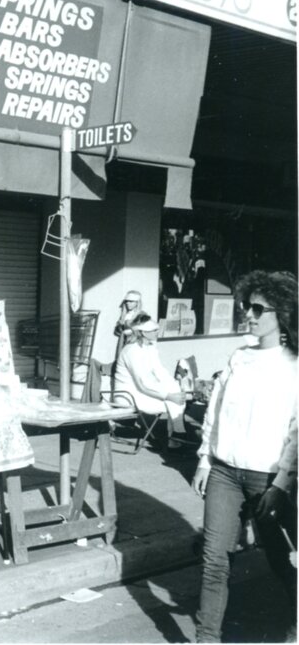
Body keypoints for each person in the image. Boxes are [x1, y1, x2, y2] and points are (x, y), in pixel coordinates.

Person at [191, 270, 298, 643]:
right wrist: (205, 460)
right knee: (214, 560)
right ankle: (207, 638)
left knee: (282, 558)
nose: (248, 315)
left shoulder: (293, 365)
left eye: (258, 309)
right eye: (246, 307)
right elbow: (215, 411)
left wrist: (281, 484)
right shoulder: (238, 357)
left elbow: (297, 432)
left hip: (268, 480)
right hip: (224, 474)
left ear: (281, 313)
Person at [112, 312, 191, 450]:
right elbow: (142, 384)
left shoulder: (150, 347)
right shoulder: (131, 351)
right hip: (128, 396)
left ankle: (176, 438)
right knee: (173, 401)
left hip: (143, 392)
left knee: (176, 396)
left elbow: (160, 371)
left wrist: (176, 389)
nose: (157, 332)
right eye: (153, 330)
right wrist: (168, 396)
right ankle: (177, 437)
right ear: (143, 333)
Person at [113, 290, 143, 363]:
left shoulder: (141, 315)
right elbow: (117, 331)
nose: (128, 303)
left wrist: (132, 331)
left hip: (134, 343)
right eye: (127, 301)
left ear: (137, 303)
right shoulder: (124, 315)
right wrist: (120, 327)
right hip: (123, 342)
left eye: (131, 301)